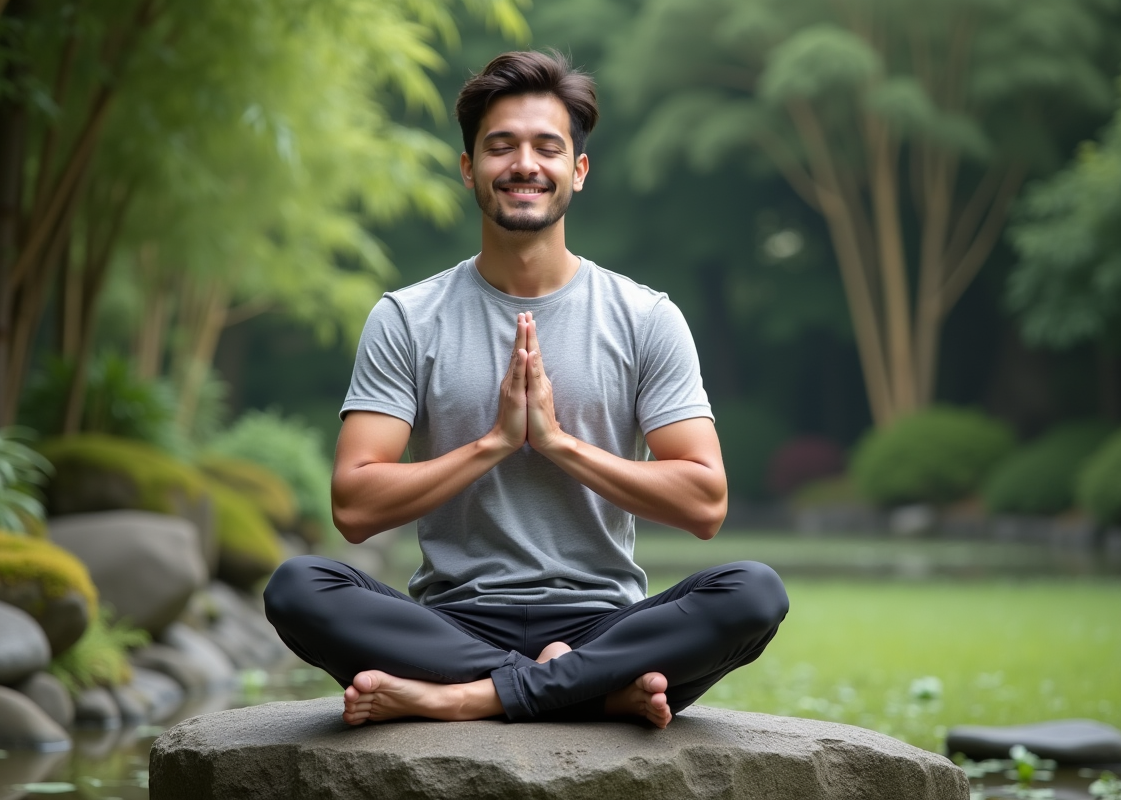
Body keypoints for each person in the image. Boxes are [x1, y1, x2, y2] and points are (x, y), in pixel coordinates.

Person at [263, 50, 788, 729]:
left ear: (579, 170)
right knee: (299, 586)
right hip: (452, 623)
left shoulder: (645, 318)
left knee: (753, 592)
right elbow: (355, 507)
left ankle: (469, 698)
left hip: (602, 622)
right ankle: (588, 693)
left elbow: (705, 503)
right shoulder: (408, 318)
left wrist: (559, 444)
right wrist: (495, 443)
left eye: (547, 147)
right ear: (468, 168)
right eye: (500, 146)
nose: (524, 165)